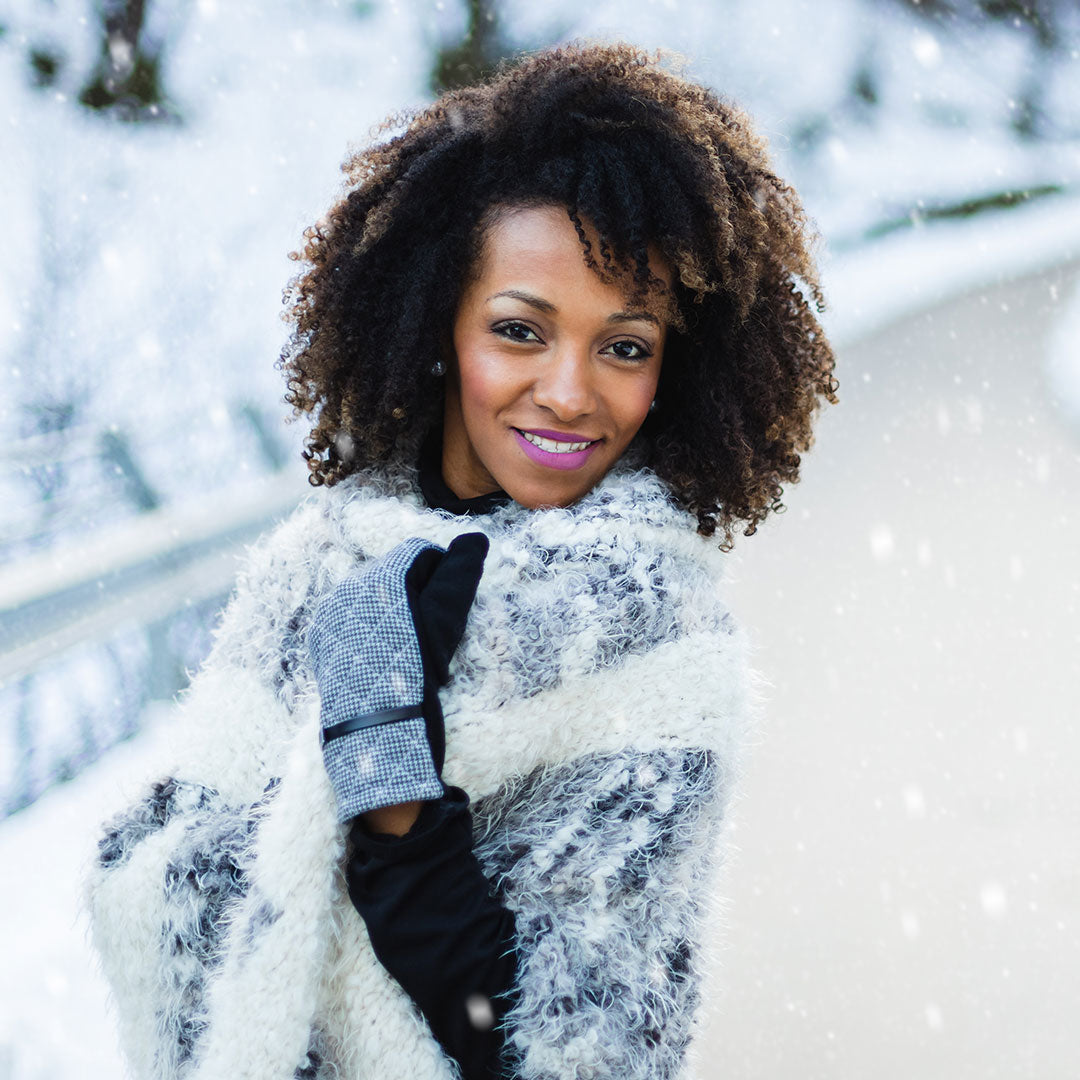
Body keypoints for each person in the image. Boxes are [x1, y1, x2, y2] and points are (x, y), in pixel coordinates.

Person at [84, 41, 838, 1080]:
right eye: (522, 331)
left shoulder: (662, 656)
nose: (571, 393)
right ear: (437, 324)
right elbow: (151, 896)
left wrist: (392, 804)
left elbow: (585, 1050)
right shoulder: (313, 571)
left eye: (624, 346)